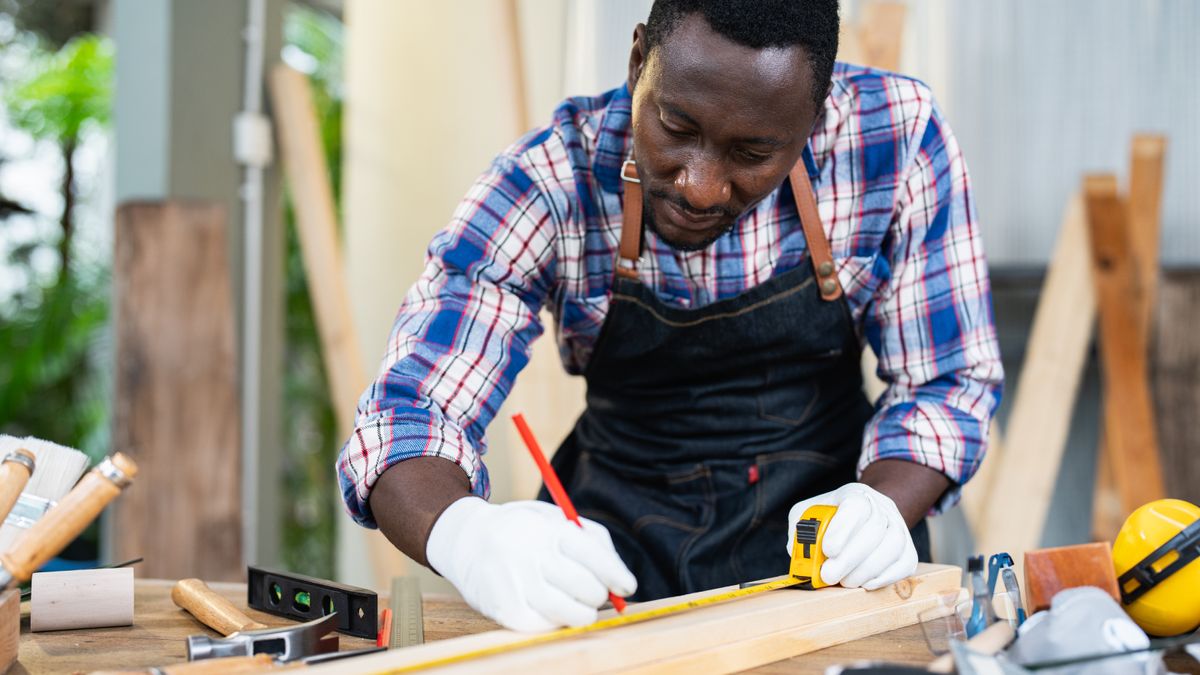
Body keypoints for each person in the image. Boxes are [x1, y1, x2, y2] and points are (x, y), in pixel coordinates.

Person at [338, 0, 1002, 633]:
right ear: (638, 62)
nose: (700, 186)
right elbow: (409, 414)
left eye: (751, 154)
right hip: (618, 551)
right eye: (677, 128)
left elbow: (948, 382)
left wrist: (882, 504)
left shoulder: (897, 136)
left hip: (828, 555)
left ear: (815, 119)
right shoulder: (549, 181)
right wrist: (464, 533)